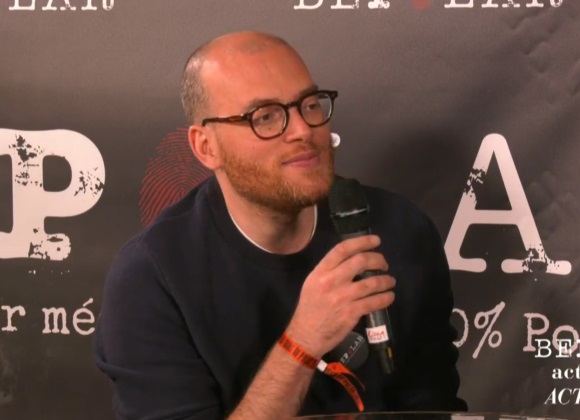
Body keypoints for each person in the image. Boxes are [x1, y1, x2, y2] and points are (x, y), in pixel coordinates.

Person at [93, 30, 468, 419]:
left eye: (309, 104)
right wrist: (301, 344)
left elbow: (432, 406)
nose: (303, 130)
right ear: (206, 147)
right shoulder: (152, 277)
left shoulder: (400, 229)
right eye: (265, 116)